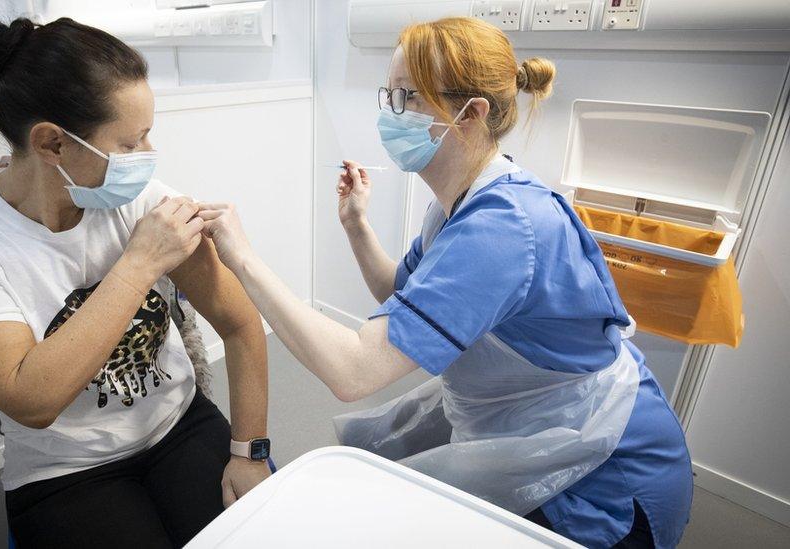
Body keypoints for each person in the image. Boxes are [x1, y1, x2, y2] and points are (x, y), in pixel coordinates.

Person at [196, 17, 692, 549]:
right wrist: (357, 225)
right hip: (531, 425)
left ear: (470, 114)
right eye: (390, 94)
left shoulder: (501, 227)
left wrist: (242, 259)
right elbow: (398, 296)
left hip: (603, 473)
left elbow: (355, 370)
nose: (390, 114)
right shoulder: (460, 201)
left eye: (408, 98)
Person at [0, 16, 270, 548]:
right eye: (130, 141)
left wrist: (249, 448)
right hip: (64, 472)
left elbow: (238, 323)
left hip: (179, 426)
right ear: (51, 143)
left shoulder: (139, 199)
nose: (147, 156)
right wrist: (139, 264)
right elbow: (32, 399)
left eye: (148, 134)